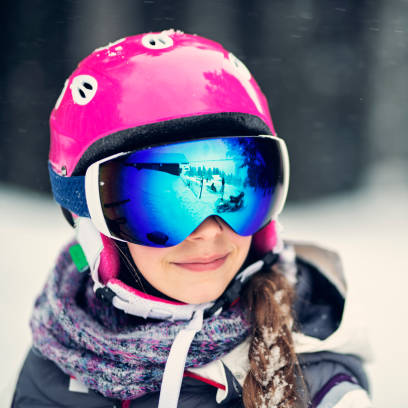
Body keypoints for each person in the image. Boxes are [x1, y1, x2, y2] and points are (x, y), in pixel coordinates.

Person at [11, 30, 371, 408]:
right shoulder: (52, 365)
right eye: (166, 204)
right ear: (88, 222)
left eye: (234, 192)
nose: (208, 231)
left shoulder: (316, 379)